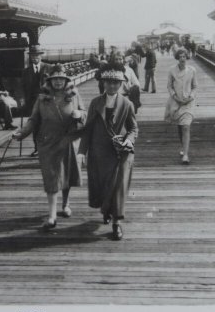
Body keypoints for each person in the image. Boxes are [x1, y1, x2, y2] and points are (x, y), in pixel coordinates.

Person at [13, 65, 87, 230]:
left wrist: (80, 114)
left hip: (68, 140)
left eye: (61, 79)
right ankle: (52, 215)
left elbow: (84, 112)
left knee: (67, 174)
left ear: (66, 80)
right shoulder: (42, 98)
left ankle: (66, 204)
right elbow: (33, 119)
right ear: (50, 81)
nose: (59, 82)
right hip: (48, 142)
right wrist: (22, 133)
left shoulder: (74, 95)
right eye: (55, 79)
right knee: (52, 177)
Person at [74, 62, 138, 241]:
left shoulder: (127, 104)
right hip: (99, 152)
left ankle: (117, 223)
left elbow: (133, 128)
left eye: (116, 82)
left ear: (121, 84)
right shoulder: (95, 103)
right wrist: (81, 152)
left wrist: (128, 140)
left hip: (120, 153)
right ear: (103, 83)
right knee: (103, 187)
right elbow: (88, 129)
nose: (112, 85)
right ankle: (106, 210)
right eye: (108, 82)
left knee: (118, 188)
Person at [165, 48, 198, 164]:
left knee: (185, 126)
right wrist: (175, 97)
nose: (182, 59)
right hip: (176, 102)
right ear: (177, 58)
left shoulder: (192, 70)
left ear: (187, 57)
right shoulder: (171, 70)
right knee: (180, 126)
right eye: (180, 57)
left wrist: (191, 96)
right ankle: (183, 148)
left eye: (184, 56)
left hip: (188, 102)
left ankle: (186, 155)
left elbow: (195, 86)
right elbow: (169, 86)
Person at [21, 45, 50, 156]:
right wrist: (22, 100)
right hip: (32, 102)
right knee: (35, 125)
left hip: (47, 102)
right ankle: (37, 148)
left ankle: (47, 147)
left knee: (47, 124)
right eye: (33, 55)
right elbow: (22, 87)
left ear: (41, 56)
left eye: (37, 55)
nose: (35, 58)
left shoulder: (49, 68)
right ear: (30, 57)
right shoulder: (26, 71)